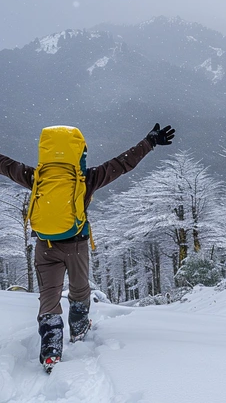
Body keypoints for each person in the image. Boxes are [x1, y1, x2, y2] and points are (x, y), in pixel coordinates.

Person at [0, 123, 175, 371]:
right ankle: (79, 330)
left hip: (45, 245)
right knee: (80, 290)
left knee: (49, 296)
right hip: (76, 245)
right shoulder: (87, 179)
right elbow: (122, 164)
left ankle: (51, 350)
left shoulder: (35, 177)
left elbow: (6, 166)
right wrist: (149, 142)